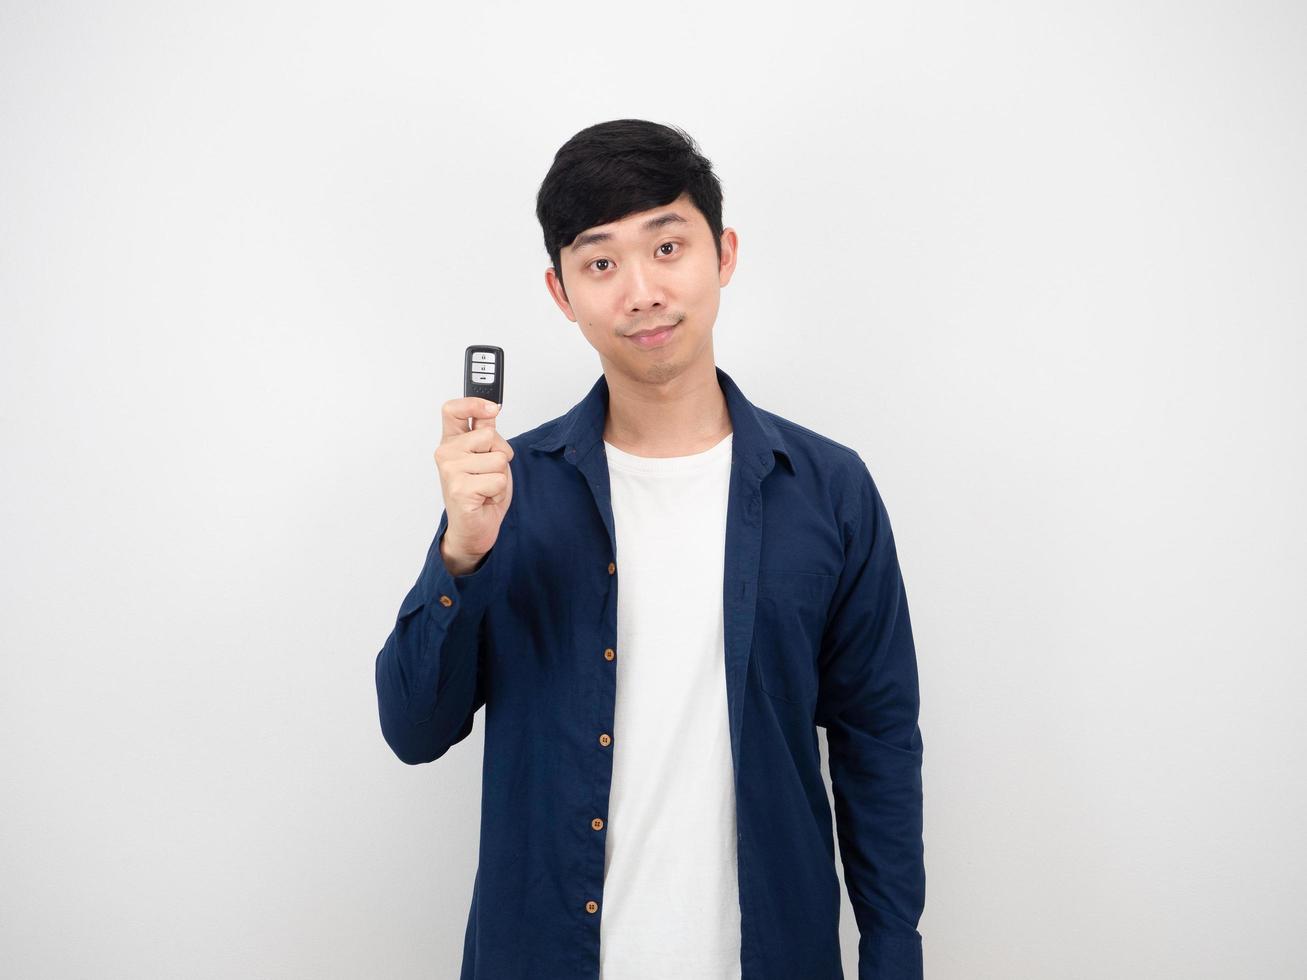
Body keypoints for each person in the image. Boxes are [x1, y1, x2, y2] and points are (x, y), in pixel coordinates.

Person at [375, 119, 925, 980]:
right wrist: (462, 556)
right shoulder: (506, 493)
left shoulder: (828, 488)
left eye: (667, 247)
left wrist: (894, 955)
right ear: (561, 292)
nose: (640, 291)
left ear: (723, 253)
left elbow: (877, 742)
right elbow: (413, 729)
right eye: (600, 263)